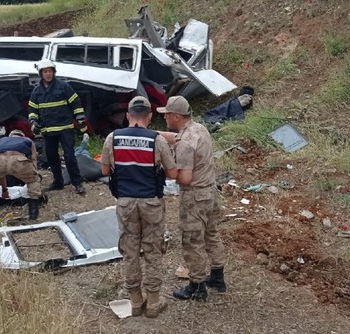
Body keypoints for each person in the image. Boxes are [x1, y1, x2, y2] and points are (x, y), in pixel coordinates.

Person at [100, 96, 177, 318]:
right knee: (153, 251)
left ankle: (135, 300)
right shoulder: (157, 140)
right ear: (150, 117)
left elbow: (105, 171)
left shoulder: (112, 138)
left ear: (128, 115)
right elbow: (172, 173)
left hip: (125, 202)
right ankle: (153, 301)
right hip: (151, 202)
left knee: (130, 251)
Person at [157, 96, 227, 301]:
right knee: (211, 234)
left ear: (176, 116)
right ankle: (217, 276)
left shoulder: (185, 144)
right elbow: (178, 138)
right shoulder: (199, 129)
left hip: (195, 197)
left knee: (192, 241)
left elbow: (184, 178)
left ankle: (196, 286)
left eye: (167, 114)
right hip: (211, 193)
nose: (165, 118)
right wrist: (156, 135)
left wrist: (167, 168)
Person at [28, 59, 86, 194]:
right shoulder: (36, 92)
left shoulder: (63, 87)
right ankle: (58, 182)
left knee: (70, 156)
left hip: (65, 128)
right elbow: (32, 110)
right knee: (52, 157)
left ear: (54, 72)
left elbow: (76, 103)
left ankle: (77, 183)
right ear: (41, 74)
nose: (48, 74)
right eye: (45, 71)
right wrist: (33, 122)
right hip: (48, 131)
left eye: (50, 71)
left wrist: (80, 118)